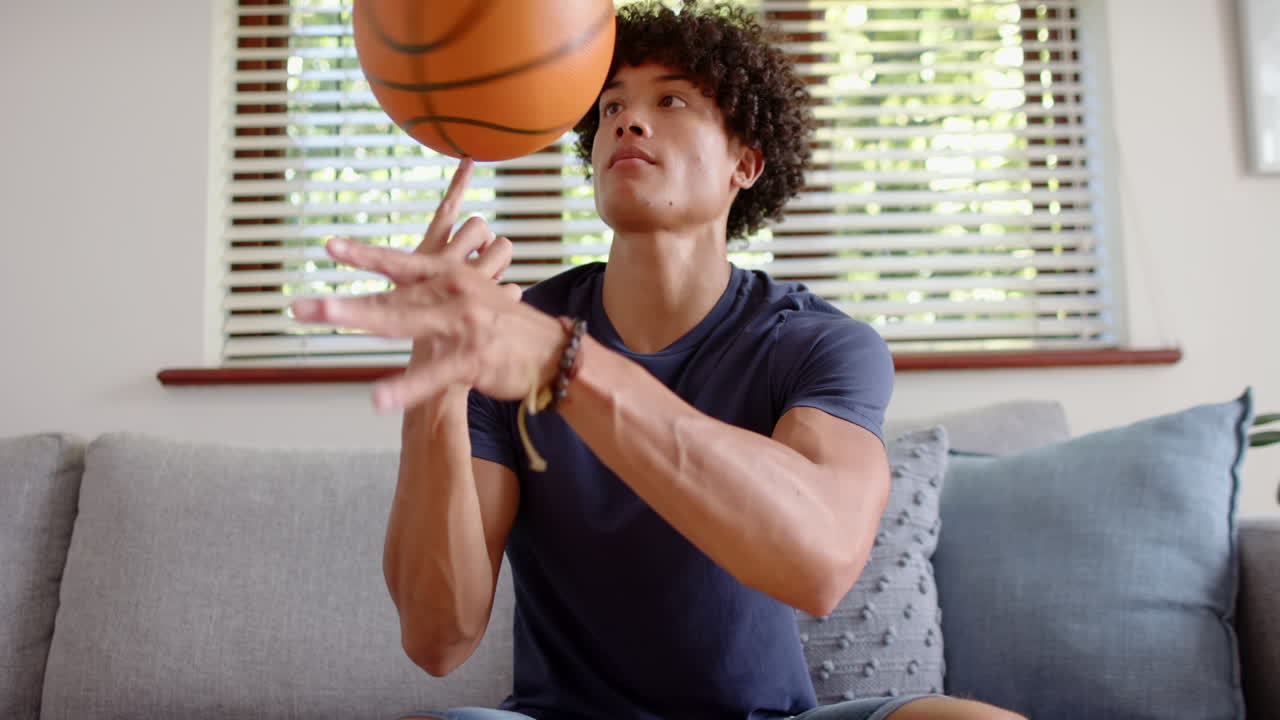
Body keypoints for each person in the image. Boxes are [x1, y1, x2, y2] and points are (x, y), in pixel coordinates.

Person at [291, 2, 1025, 719]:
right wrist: (438, 382)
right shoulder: (504, 341)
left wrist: (565, 363)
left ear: (746, 161)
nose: (627, 120)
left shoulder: (817, 343)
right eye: (609, 107)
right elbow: (437, 639)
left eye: (670, 100)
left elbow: (822, 561)